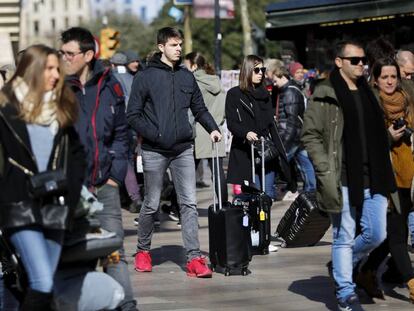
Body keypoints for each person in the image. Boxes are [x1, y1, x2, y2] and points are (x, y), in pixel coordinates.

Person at [301, 41, 396, 311]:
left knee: (377, 234)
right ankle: (345, 293)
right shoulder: (325, 91)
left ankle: (340, 263)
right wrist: (323, 168)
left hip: (374, 175)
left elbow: (375, 135)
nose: (361, 65)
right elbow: (310, 134)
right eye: (354, 60)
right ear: (339, 62)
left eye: (363, 60)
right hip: (340, 176)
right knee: (344, 235)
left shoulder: (369, 92)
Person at [127, 27, 221, 278]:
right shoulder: (145, 77)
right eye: (173, 45)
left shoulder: (186, 76)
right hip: (154, 150)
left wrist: (212, 128)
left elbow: (199, 109)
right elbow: (132, 115)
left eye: (180, 45)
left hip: (182, 149)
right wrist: (154, 133)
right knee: (152, 203)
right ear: (161, 47)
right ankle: (143, 251)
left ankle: (194, 258)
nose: (179, 49)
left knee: (188, 203)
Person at [0, 44, 85, 310]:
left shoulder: (60, 111)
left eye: (57, 69)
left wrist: (70, 197)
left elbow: (77, 157)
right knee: (43, 281)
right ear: (33, 70)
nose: (55, 75)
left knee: (42, 284)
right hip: (19, 207)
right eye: (49, 69)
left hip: (55, 207)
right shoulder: (6, 111)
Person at [60, 27, 138, 310]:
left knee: (114, 251)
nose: (65, 58)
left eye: (70, 53)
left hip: (105, 184)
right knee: (75, 255)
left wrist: (116, 174)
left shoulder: (111, 84)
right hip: (71, 190)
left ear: (89, 55)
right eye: (63, 53)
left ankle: (127, 305)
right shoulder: (59, 87)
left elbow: (122, 132)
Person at [355, 57, 414, 301]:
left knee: (392, 236)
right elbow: (364, 146)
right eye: (384, 77)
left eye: (393, 77)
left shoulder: (408, 102)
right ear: (376, 80)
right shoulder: (370, 104)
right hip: (384, 178)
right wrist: (387, 136)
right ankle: (412, 284)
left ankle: (367, 272)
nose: (389, 81)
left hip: (408, 178)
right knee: (398, 235)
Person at [225, 54, 290, 200]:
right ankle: (246, 221)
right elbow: (232, 123)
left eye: (262, 69)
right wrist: (246, 133)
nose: (261, 73)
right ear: (247, 71)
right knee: (249, 196)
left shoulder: (265, 94)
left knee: (267, 196)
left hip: (265, 151)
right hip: (246, 152)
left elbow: (269, 124)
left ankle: (263, 223)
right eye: (256, 70)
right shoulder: (234, 94)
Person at [184, 51, 228, 203]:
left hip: (198, 131)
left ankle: (179, 208)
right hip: (216, 129)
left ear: (194, 65)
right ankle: (223, 205)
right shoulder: (216, 80)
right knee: (218, 172)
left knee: (187, 174)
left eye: (186, 64)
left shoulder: (192, 81)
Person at [270, 61, 316, 195]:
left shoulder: (289, 92)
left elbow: (291, 120)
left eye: (275, 80)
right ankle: (311, 190)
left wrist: (284, 142)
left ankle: (270, 190)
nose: (274, 83)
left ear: (280, 75)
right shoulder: (287, 90)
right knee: (305, 163)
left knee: (277, 163)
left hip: (291, 136)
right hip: (296, 135)